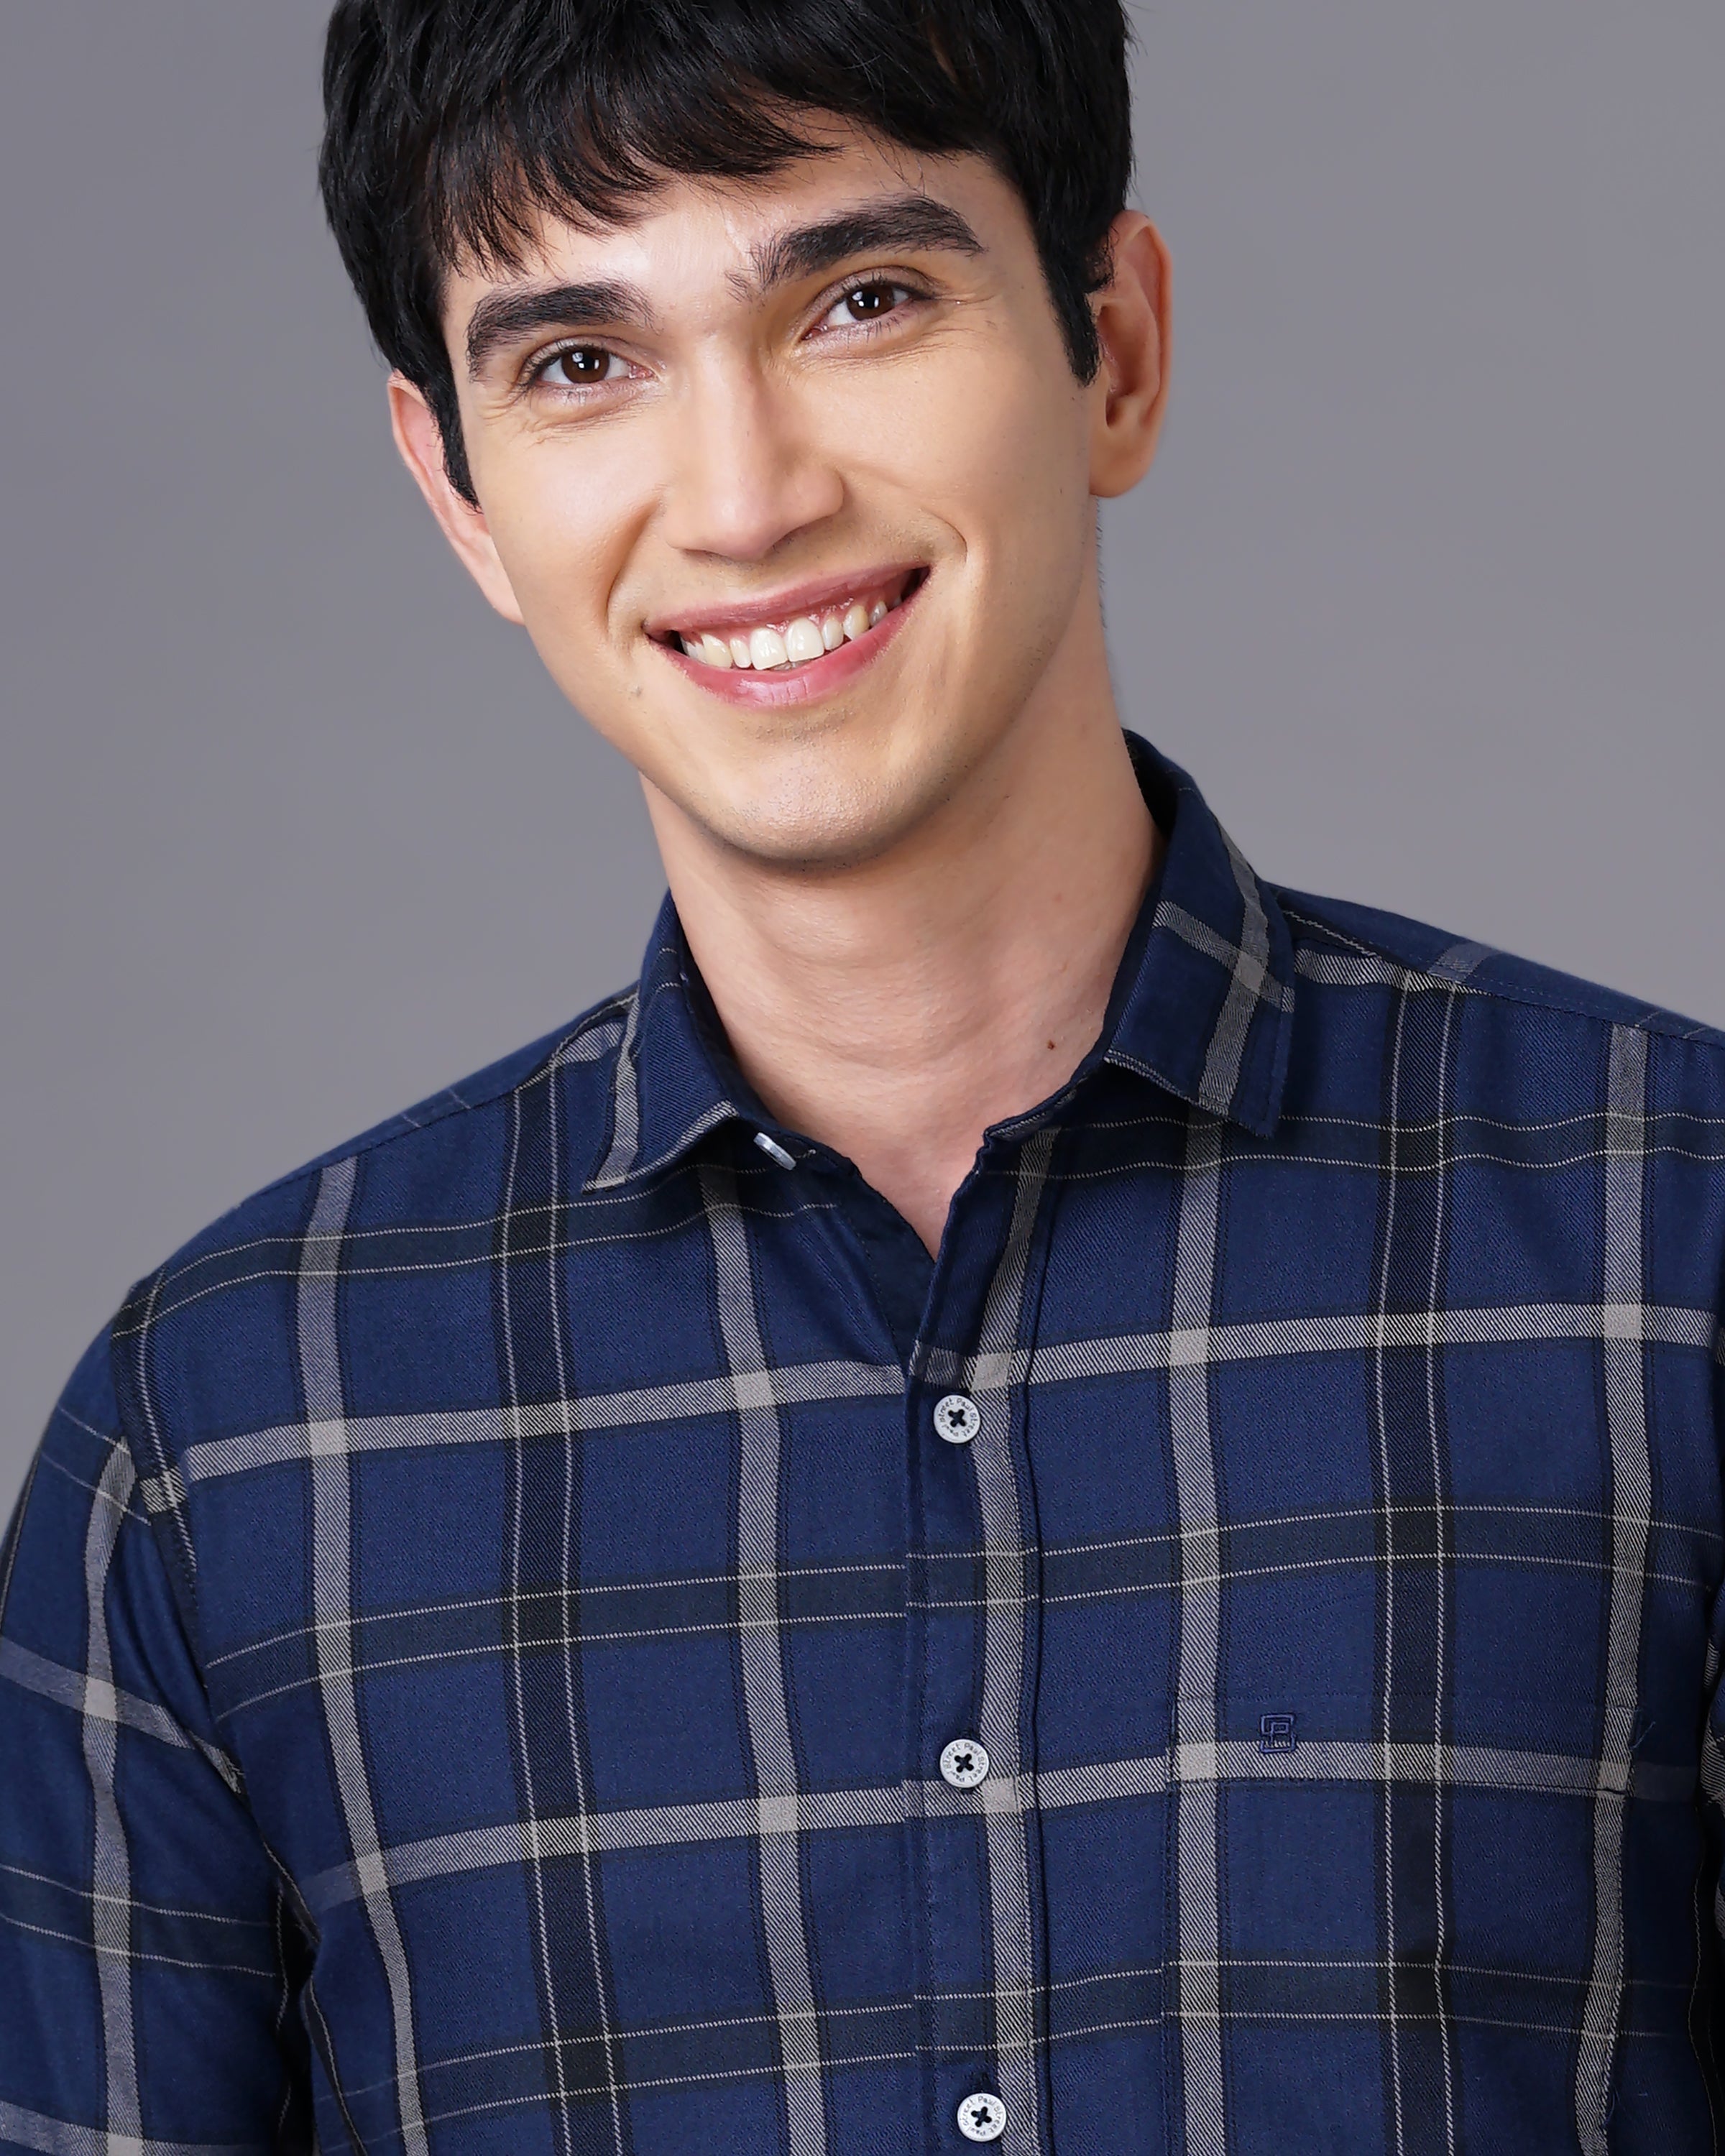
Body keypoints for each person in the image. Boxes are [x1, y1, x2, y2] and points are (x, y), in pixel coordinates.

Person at [3, 1, 1722, 2149]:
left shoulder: (1676, 1256)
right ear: (459, 493)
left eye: (863, 299)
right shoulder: (223, 1440)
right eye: (581, 362)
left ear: (1113, 351)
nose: (746, 499)